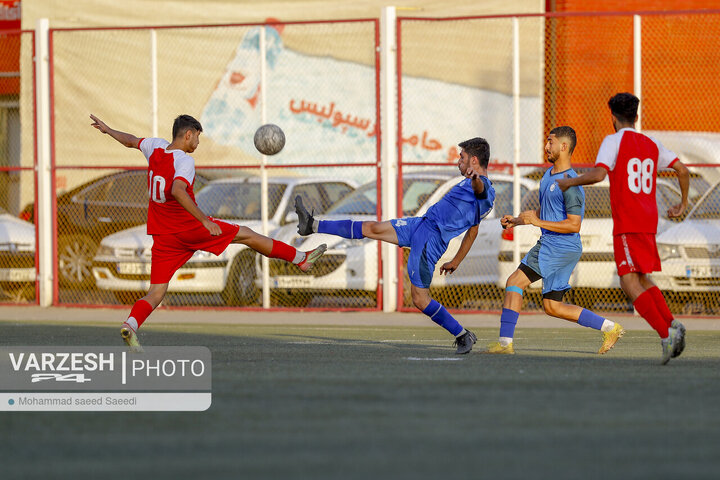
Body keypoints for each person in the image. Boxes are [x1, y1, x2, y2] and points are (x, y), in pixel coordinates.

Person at [90, 113, 327, 352]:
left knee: (156, 291)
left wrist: (109, 130)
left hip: (163, 236)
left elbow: (130, 140)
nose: (198, 143)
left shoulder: (155, 147)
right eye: (198, 137)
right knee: (248, 235)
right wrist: (204, 220)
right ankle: (301, 259)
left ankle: (130, 325)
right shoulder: (184, 161)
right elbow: (178, 190)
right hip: (189, 228)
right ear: (188, 134)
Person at [295, 137, 496, 354]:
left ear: (474, 161)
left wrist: (476, 178)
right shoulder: (470, 183)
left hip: (431, 240)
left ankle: (462, 334)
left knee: (419, 299)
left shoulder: (483, 188)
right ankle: (313, 225)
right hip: (421, 224)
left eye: (462, 157)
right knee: (372, 228)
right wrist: (456, 260)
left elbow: (480, 190)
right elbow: (473, 231)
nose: (458, 161)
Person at [556, 93, 690, 365]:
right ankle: (673, 324)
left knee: (627, 281)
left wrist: (569, 183)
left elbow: (598, 174)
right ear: (637, 117)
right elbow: (683, 170)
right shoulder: (652, 142)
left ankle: (665, 335)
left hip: (629, 220)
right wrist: (683, 203)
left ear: (613, 118)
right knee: (642, 278)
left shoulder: (613, 141)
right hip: (648, 220)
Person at [486, 126, 625, 355]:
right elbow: (544, 211)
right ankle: (610, 327)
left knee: (514, 282)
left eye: (550, 142)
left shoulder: (572, 184)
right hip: (556, 246)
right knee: (552, 307)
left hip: (559, 246)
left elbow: (574, 224)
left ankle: (504, 345)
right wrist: (518, 221)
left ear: (563, 146)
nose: (546, 146)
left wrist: (537, 224)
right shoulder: (548, 176)